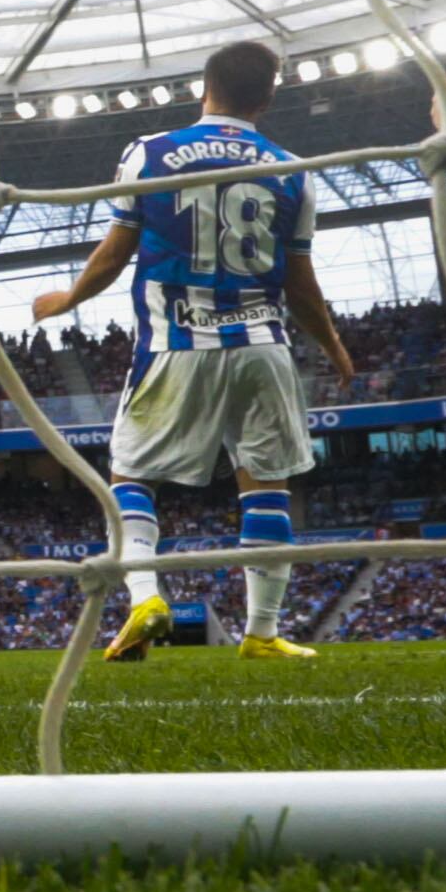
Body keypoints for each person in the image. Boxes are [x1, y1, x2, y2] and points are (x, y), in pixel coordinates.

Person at [30, 40, 354, 664]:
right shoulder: (290, 167)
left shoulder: (149, 153)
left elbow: (116, 251)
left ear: (202, 86)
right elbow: (300, 281)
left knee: (130, 474)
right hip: (264, 345)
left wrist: (67, 299)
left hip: (176, 341)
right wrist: (333, 344)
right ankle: (262, 632)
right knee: (265, 483)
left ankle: (145, 596)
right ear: (267, 95)